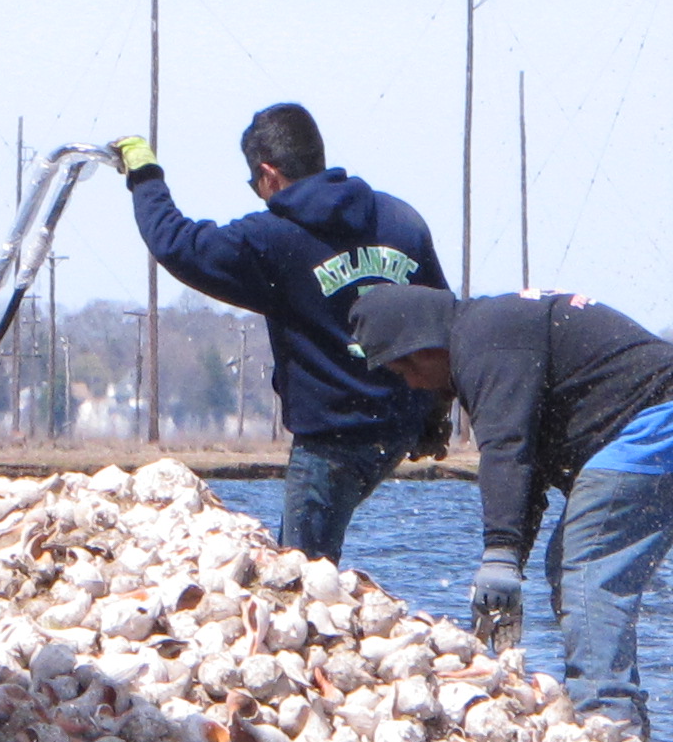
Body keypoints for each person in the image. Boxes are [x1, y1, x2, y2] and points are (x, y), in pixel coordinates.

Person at [342, 283, 673, 742]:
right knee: (579, 566)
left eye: (405, 366)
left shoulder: (484, 342)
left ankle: (608, 727)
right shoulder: (486, 332)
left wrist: (500, 554)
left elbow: (506, 450)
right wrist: (510, 563)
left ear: (423, 341)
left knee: (589, 571)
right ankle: (620, 718)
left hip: (667, 419)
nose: (410, 381)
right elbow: (525, 469)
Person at [113, 104, 449, 564]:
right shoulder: (401, 221)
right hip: (398, 427)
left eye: (255, 184)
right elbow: (442, 324)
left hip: (331, 438)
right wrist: (434, 415)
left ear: (269, 174)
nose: (258, 194)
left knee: (301, 570)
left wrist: (146, 176)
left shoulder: (272, 239)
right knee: (305, 561)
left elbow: (179, 244)